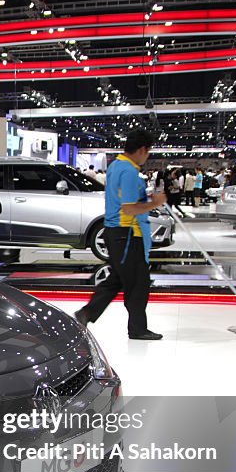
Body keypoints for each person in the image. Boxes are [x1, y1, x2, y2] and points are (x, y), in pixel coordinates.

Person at [75, 130, 166, 340]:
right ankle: (136, 328)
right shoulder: (128, 171)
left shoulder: (116, 165)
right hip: (126, 234)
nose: (147, 156)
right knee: (138, 283)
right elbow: (129, 208)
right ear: (142, 150)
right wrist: (155, 203)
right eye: (148, 152)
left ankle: (87, 313)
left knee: (119, 279)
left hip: (118, 234)